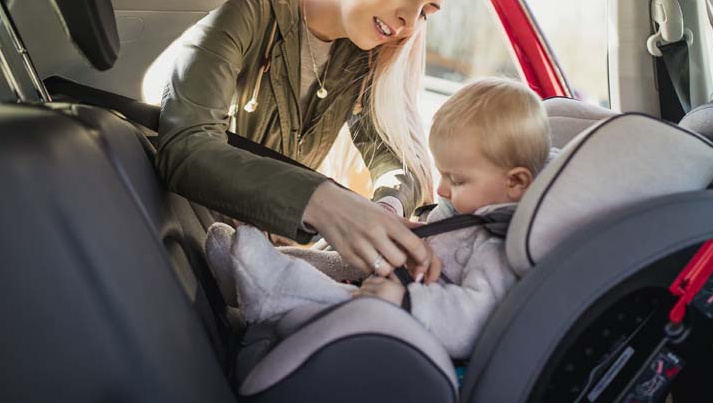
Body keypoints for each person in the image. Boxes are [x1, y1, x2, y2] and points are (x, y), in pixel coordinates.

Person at [153, 0, 459, 277]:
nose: (410, 20)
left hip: (261, 258)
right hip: (188, 240)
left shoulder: (365, 53)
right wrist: (322, 202)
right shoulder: (250, 2)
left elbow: (398, 158)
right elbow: (185, 147)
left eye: (427, 11)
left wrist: (385, 208)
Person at [208, 78, 553, 358]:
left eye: (457, 180)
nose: (442, 189)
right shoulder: (471, 210)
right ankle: (251, 266)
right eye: (442, 174)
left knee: (340, 296)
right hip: (397, 278)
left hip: (403, 320)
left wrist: (404, 301)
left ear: (516, 182)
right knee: (338, 260)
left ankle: (268, 284)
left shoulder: (497, 246)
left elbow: (471, 322)